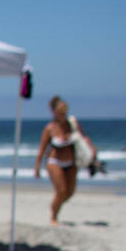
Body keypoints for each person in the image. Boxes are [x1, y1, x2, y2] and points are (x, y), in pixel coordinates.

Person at [35, 95, 95, 225]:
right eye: (61, 111)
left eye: (65, 110)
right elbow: (42, 149)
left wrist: (92, 151)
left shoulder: (72, 124)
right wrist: (37, 168)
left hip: (71, 162)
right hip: (54, 162)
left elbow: (84, 137)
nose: (64, 113)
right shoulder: (49, 128)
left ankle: (55, 207)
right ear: (54, 112)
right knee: (61, 191)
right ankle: (54, 216)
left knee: (69, 192)